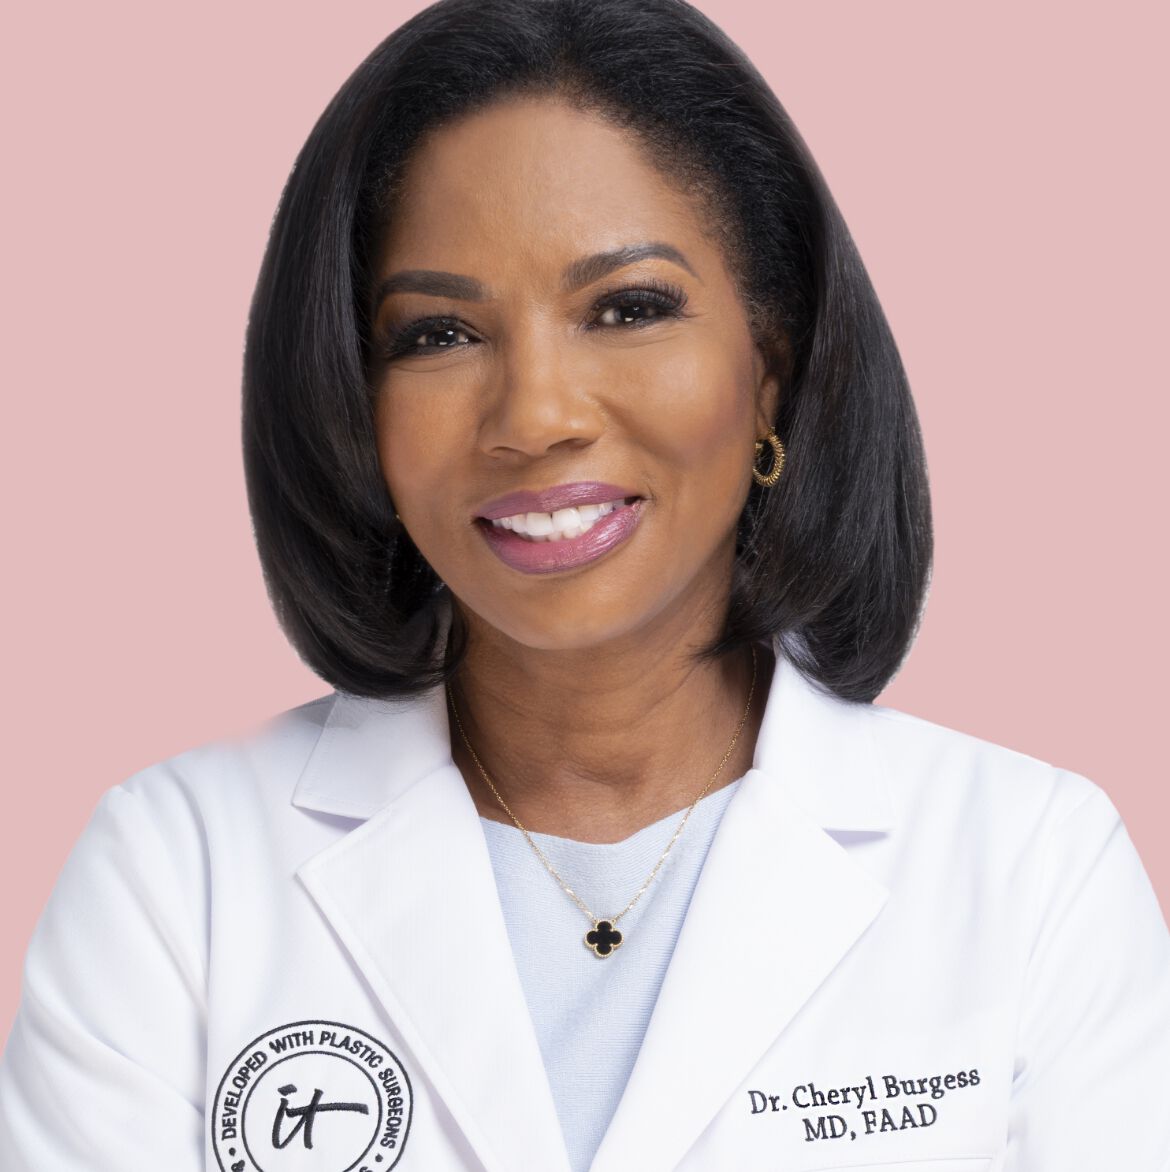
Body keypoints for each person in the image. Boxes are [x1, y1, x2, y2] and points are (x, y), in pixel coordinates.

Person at [2, 0, 1168, 1168]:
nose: (537, 416)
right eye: (438, 335)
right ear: (356, 399)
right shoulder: (176, 874)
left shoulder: (1029, 869)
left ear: (772, 367)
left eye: (629, 308)